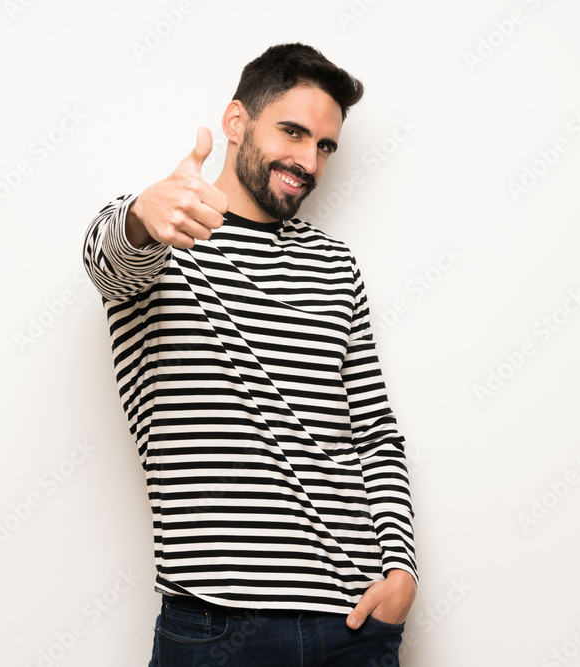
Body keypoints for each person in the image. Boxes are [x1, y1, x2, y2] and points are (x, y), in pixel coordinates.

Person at [81, 42, 418, 666]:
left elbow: (373, 432)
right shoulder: (164, 237)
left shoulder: (336, 265)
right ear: (236, 122)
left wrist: (400, 569)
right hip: (216, 627)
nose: (308, 161)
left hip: (353, 622)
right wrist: (141, 214)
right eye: (293, 132)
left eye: (324, 145)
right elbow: (108, 257)